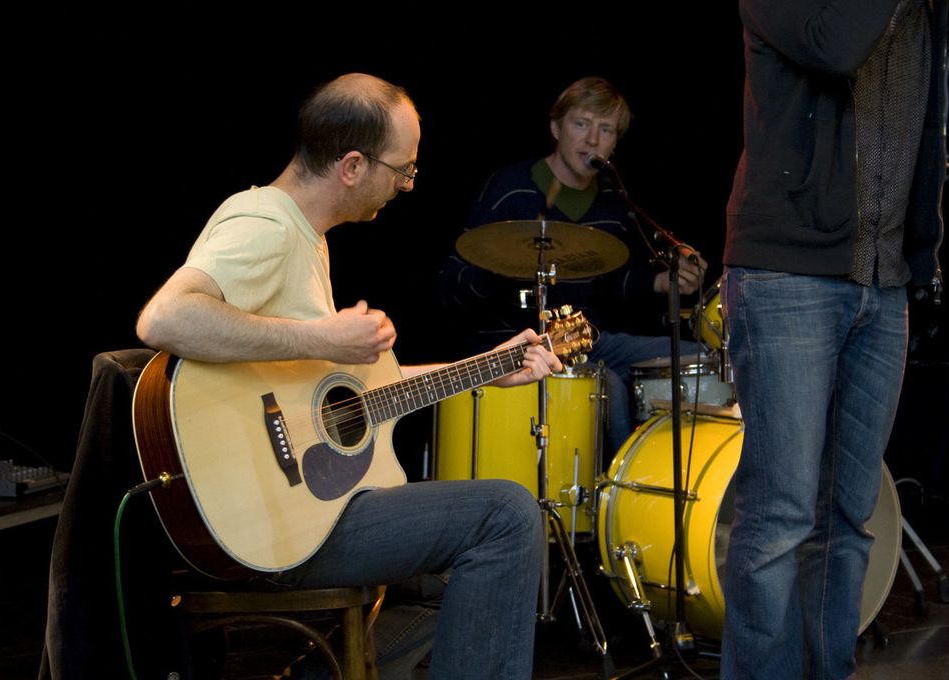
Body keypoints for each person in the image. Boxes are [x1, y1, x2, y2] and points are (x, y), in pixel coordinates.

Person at [135, 72, 564, 679]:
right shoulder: (267, 224)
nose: (408, 186)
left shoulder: (306, 237)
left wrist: (486, 370)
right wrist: (324, 337)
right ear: (354, 165)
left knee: (471, 551)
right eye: (404, 170)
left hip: (301, 510)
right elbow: (165, 317)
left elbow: (347, 401)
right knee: (507, 514)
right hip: (269, 525)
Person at [720, 2, 949, 679]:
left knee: (847, 519)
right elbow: (835, 45)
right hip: (787, 274)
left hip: (885, 280)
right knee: (780, 518)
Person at [437, 76, 709, 458]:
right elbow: (452, 284)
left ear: (616, 141)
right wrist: (501, 268)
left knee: (698, 359)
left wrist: (662, 283)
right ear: (555, 127)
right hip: (513, 346)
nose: (592, 140)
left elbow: (608, 282)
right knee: (607, 387)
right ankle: (612, 501)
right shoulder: (511, 188)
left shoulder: (613, 204)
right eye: (581, 124)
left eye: (606, 130)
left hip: (585, 340)